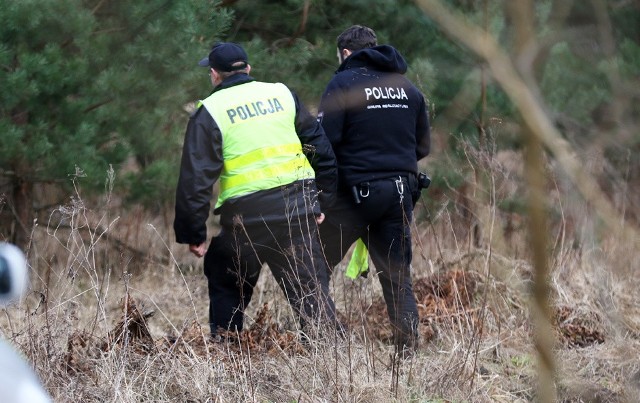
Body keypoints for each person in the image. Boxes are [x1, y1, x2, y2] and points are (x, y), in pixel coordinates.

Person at [174, 42, 340, 340]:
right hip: (296, 212)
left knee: (227, 287)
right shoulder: (282, 94)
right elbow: (320, 148)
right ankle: (333, 362)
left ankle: (228, 353)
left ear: (214, 75)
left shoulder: (209, 111)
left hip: (245, 220)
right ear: (248, 68)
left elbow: (195, 179)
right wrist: (321, 201)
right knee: (312, 295)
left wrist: (193, 232)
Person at [317, 25, 431, 354]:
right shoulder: (408, 88)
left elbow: (324, 143)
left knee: (315, 265)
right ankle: (408, 352)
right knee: (397, 276)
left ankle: (323, 344)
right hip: (401, 194)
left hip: (355, 196)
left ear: (346, 53)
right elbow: (422, 146)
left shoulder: (343, 83)